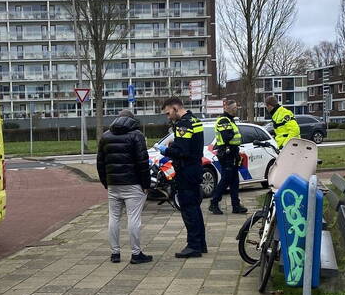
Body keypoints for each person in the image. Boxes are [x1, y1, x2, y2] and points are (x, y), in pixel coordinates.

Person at [96, 109, 153, 264]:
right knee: (133, 218)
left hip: (113, 185)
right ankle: (135, 254)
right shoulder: (137, 136)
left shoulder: (105, 136)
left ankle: (115, 253)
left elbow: (100, 162)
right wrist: (146, 184)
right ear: (132, 120)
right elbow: (143, 163)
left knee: (113, 218)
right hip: (133, 184)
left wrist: (105, 182)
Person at [158, 96, 207, 258]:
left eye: (168, 113)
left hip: (186, 171)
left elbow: (182, 151)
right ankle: (200, 243)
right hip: (195, 168)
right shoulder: (195, 120)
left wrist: (165, 150)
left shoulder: (183, 124)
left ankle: (193, 246)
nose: (168, 116)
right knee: (195, 207)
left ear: (175, 108)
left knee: (188, 208)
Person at [209, 97, 248, 216]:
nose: (237, 109)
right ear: (230, 108)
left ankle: (236, 205)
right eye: (235, 108)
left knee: (234, 180)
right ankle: (214, 202)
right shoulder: (223, 120)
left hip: (233, 152)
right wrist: (231, 134)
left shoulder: (230, 120)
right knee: (226, 179)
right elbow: (227, 136)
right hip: (226, 153)